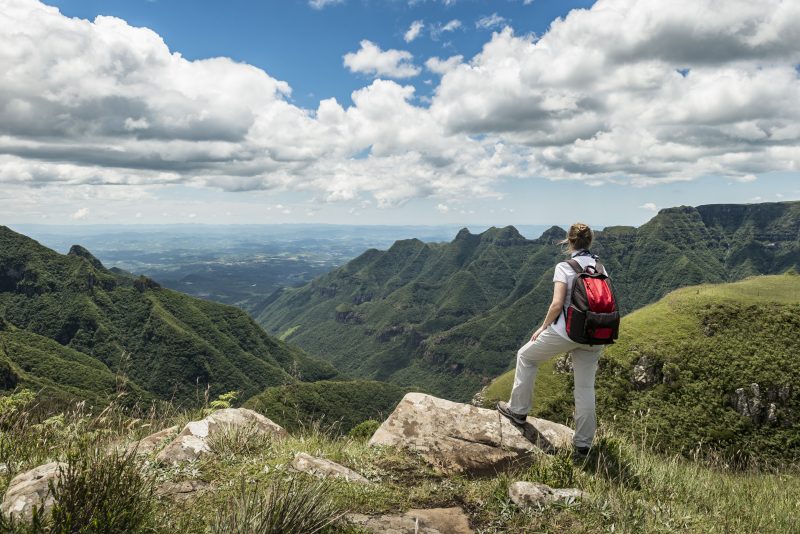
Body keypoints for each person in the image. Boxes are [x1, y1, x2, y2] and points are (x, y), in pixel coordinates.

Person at [497, 222, 605, 459]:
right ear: (590, 241)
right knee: (585, 388)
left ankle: (518, 411)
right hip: (596, 334)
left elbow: (557, 304)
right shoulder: (600, 266)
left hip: (566, 332)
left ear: (569, 241)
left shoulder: (564, 267)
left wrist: (543, 327)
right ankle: (583, 447)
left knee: (526, 356)